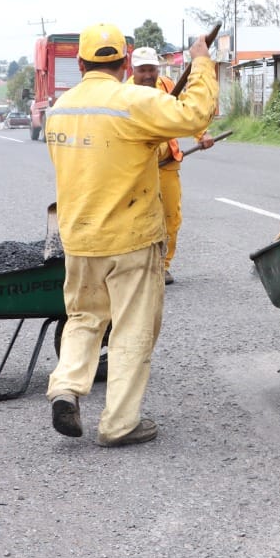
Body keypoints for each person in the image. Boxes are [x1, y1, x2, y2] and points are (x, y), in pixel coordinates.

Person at [44, 23, 218, 447]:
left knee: (84, 318)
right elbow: (195, 115)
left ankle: (66, 386)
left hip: (79, 236)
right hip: (131, 238)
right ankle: (120, 424)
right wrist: (201, 63)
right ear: (124, 63)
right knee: (131, 329)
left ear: (82, 63)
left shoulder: (59, 108)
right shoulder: (134, 101)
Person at [126, 45, 217, 285]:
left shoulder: (166, 86)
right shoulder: (123, 94)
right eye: (142, 70)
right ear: (132, 70)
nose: (148, 75)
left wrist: (202, 135)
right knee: (134, 217)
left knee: (170, 217)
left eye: (152, 70)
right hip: (137, 169)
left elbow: (185, 112)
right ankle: (134, 266)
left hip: (167, 165)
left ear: (158, 69)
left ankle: (163, 266)